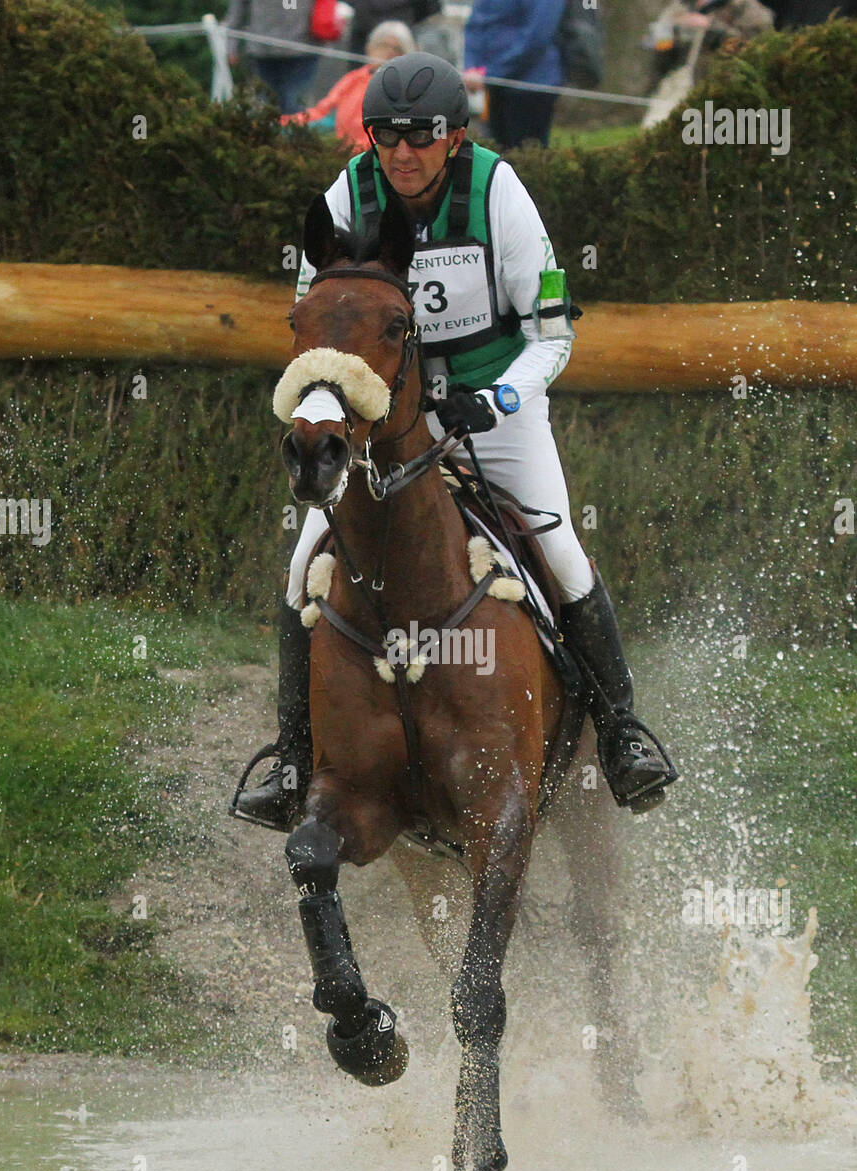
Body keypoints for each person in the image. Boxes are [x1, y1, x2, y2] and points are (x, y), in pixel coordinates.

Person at [232, 53, 676, 830]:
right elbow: (316, 328)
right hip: (387, 420)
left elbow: (551, 333)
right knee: (304, 565)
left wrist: (497, 397)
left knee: (560, 547)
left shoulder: (496, 192)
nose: (402, 154)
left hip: (493, 410)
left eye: (421, 136)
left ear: (456, 135)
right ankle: (291, 759)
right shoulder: (347, 192)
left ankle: (620, 736)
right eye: (386, 136)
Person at [279, 22, 416, 151]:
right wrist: (283, 123)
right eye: (383, 45)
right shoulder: (353, 79)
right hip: (341, 151)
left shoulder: (407, 88)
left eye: (397, 49)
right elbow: (321, 111)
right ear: (369, 48)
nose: (389, 52)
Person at [464, 0, 566, 149]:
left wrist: (491, 73)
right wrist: (471, 66)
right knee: (497, 151)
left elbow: (537, 36)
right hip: (496, 85)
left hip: (532, 86)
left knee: (527, 156)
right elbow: (476, 23)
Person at [226, 0, 323, 115]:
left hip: (299, 50)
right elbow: (237, 12)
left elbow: (236, 13)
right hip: (268, 50)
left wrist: (232, 47)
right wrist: (232, 46)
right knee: (270, 107)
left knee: (289, 107)